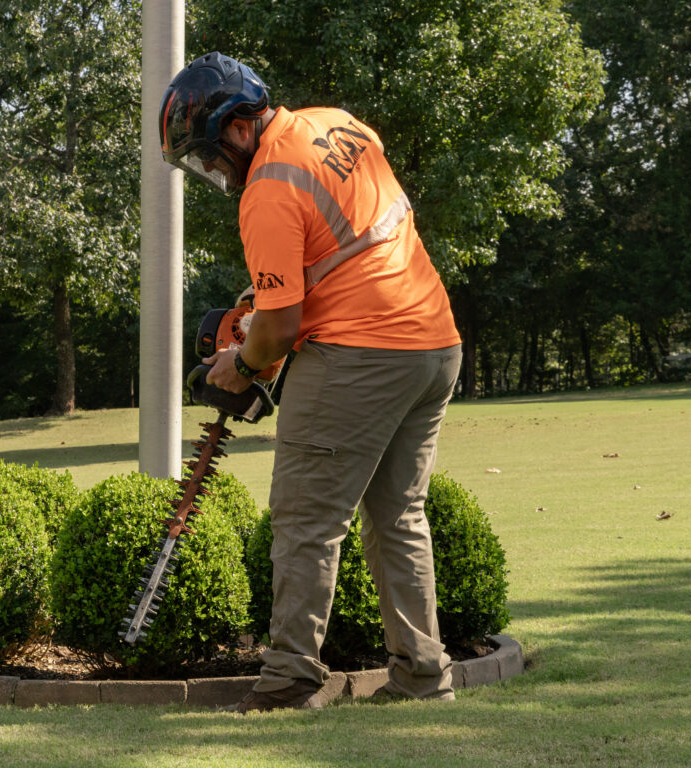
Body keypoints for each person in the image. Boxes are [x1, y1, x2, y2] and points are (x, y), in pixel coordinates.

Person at [159, 52, 463, 712]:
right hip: (433, 342)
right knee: (399, 516)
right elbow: (346, 241)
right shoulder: (335, 123)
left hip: (360, 353)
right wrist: (260, 314)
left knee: (304, 519)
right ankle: (422, 676)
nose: (215, 170)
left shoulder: (268, 186)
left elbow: (280, 328)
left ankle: (289, 681)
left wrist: (241, 364)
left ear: (238, 127)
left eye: (209, 154)